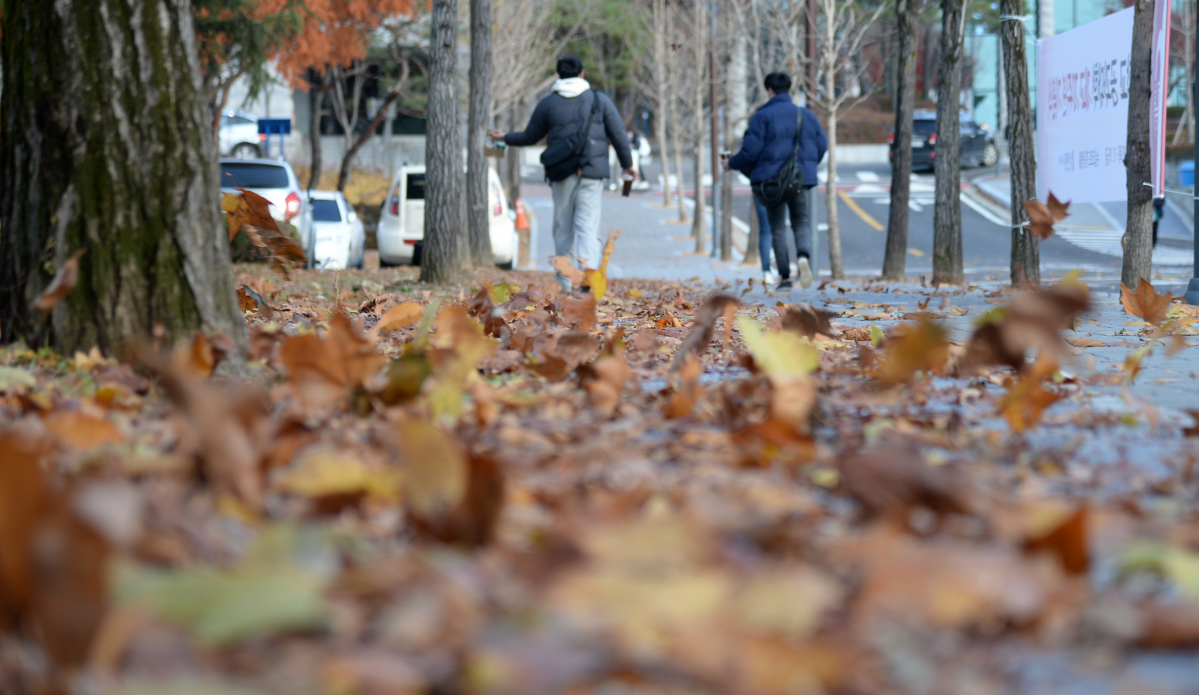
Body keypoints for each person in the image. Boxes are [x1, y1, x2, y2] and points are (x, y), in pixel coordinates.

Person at [490, 56, 635, 292]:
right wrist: (627, 165)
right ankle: (588, 277)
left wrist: (504, 137)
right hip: (592, 173)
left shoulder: (548, 103)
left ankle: (565, 280)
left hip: (561, 173)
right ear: (582, 74)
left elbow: (530, 137)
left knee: (562, 225)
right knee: (587, 225)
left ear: (559, 76)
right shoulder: (599, 100)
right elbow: (618, 134)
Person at [726, 72, 827, 291]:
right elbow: (822, 145)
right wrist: (807, 166)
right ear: (789, 89)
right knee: (801, 222)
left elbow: (750, 153)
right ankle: (803, 256)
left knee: (777, 228)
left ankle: (785, 278)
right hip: (800, 179)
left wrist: (731, 163)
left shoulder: (762, 116)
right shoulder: (806, 115)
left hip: (773, 182)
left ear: (769, 90)